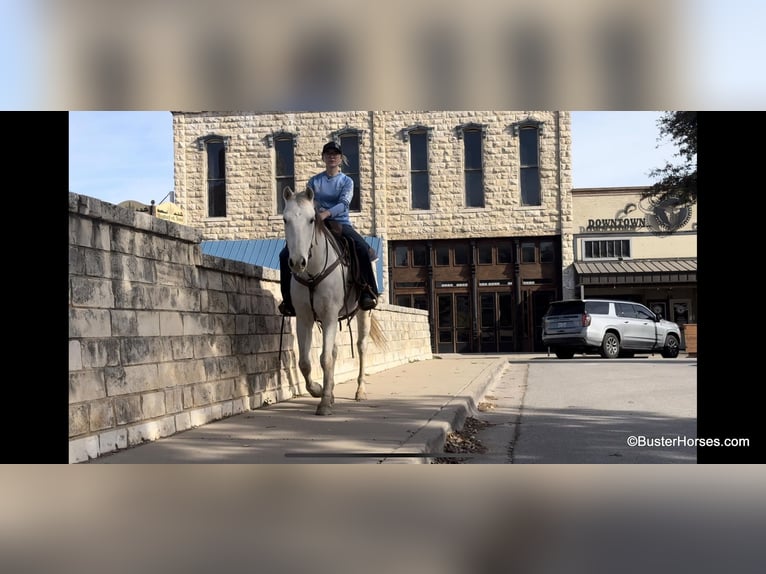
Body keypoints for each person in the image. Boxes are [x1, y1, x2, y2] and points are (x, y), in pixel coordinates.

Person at [278, 141, 379, 316]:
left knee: (362, 249)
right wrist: (312, 214)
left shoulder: (346, 181)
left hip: (340, 223)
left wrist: (326, 214)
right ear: (323, 158)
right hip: (316, 224)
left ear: (340, 158)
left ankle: (367, 291)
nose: (332, 157)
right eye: (328, 154)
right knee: (285, 254)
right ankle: (288, 299)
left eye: (335, 154)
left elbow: (344, 204)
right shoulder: (314, 181)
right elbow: (307, 203)